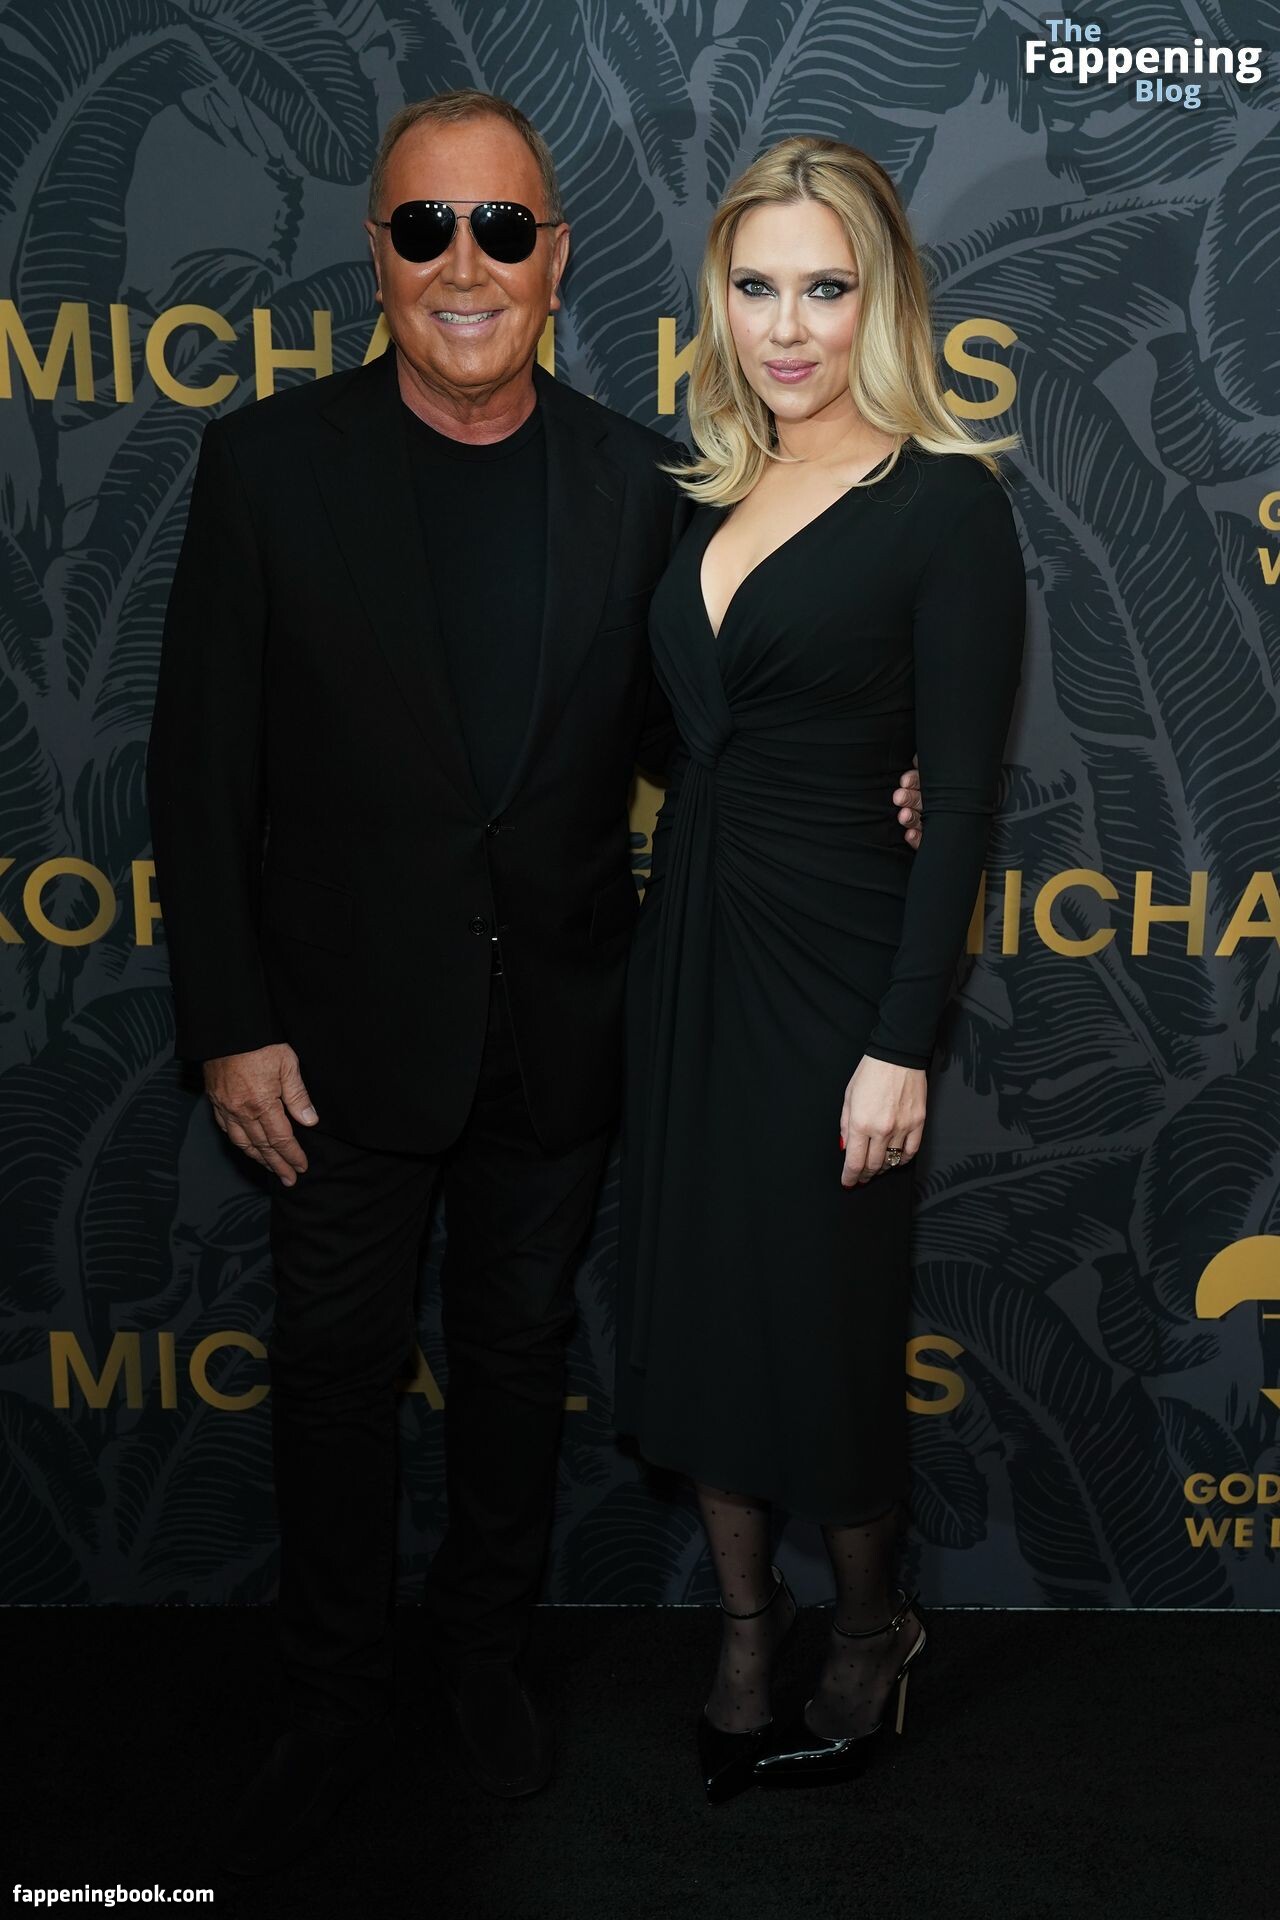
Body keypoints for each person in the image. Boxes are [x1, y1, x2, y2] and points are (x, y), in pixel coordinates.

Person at [146, 90, 928, 1871]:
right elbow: (197, 776)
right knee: (333, 1373)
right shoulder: (267, 467)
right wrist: (230, 1024)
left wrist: (876, 778)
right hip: (330, 1044)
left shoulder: (640, 485)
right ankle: (333, 1696)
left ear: (556, 259)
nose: (466, 265)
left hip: (562, 1032)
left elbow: (703, 736)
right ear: (378, 255)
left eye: (502, 228)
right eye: (426, 228)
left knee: (514, 1365)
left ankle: (484, 1664)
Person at [615, 134, 1027, 1801]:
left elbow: (965, 798)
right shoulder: (697, 489)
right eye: (756, 286)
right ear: (719, 298)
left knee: (826, 1325)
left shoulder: (945, 504)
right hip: (692, 952)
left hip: (844, 966)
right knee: (699, 1305)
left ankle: (870, 1623)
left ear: (886, 298)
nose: (788, 327)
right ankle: (743, 1631)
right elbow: (673, 729)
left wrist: (901, 1042)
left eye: (826, 287)